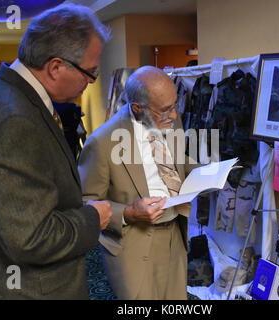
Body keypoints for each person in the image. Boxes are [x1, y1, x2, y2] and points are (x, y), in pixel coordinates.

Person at [0, 4, 112, 299]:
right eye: (90, 72)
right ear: (55, 67)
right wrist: (92, 218)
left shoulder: (1, 92)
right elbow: (31, 238)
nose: (91, 81)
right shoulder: (15, 119)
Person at [78, 66, 198, 300]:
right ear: (137, 108)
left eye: (175, 105)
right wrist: (130, 213)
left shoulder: (169, 118)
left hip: (176, 234)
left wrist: (206, 173)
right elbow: (85, 203)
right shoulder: (102, 142)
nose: (173, 115)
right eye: (165, 110)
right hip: (133, 245)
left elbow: (176, 160)